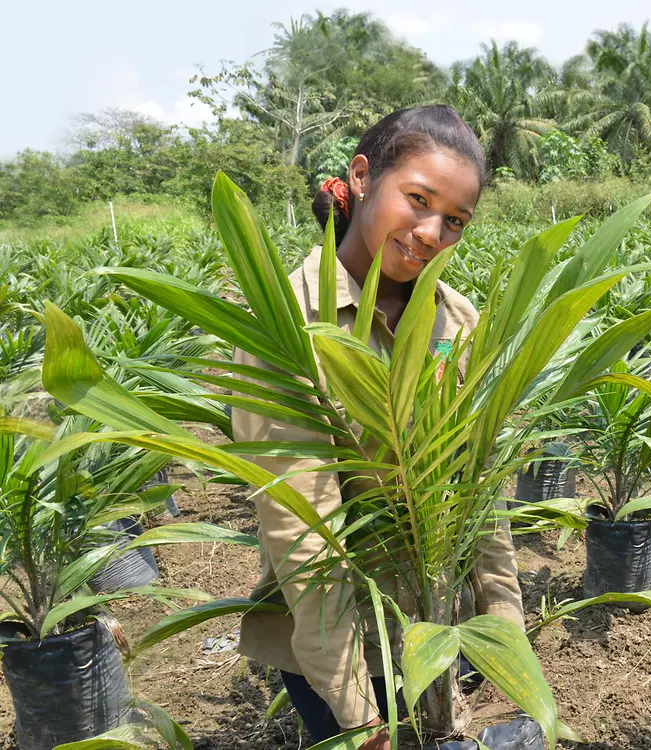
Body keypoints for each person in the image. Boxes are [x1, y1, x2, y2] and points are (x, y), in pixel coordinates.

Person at [230, 105, 524, 750]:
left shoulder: (457, 321)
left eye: (455, 221)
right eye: (417, 200)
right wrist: (360, 716)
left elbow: (480, 484)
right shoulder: (289, 327)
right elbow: (304, 534)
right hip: (346, 643)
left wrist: (501, 620)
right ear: (362, 177)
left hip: (439, 624)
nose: (430, 232)